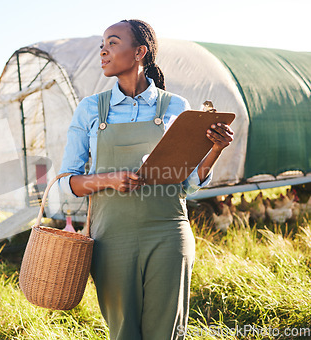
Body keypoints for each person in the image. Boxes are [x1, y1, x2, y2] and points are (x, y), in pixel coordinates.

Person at [58, 19, 234, 340]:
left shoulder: (176, 107)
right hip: (111, 238)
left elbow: (189, 182)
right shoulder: (90, 110)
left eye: (112, 43)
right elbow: (65, 182)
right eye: (102, 44)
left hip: (168, 232)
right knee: (123, 331)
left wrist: (215, 149)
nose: (103, 51)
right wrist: (108, 180)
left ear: (139, 52)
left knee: (165, 332)